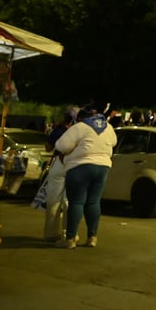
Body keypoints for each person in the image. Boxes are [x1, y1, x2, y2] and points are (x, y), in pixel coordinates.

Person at [53, 104, 118, 249]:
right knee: (94, 202)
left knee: (76, 202)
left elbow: (61, 146)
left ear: (82, 117)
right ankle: (92, 237)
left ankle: (70, 239)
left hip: (80, 167)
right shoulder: (108, 127)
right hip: (103, 167)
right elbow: (114, 142)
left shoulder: (80, 127)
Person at [41, 107, 77, 241]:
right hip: (74, 164)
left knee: (53, 199)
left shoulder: (59, 130)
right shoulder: (77, 130)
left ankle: (50, 233)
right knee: (69, 200)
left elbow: (48, 147)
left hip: (59, 163)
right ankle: (68, 233)